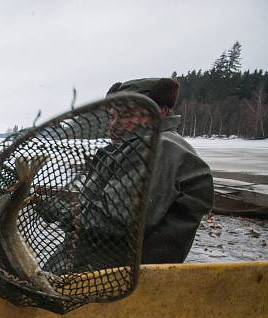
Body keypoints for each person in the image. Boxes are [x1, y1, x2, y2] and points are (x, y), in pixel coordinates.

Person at [37, 77, 213, 271]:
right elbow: (100, 202)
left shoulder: (160, 148)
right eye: (112, 117)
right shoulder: (133, 148)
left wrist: (57, 209)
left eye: (126, 115)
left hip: (118, 277)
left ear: (160, 112)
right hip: (90, 266)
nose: (114, 124)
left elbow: (114, 219)